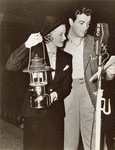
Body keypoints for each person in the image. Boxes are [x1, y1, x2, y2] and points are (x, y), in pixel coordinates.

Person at [5, 15, 72, 150]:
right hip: (33, 114)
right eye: (61, 34)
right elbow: (10, 65)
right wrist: (27, 45)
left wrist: (55, 95)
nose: (65, 38)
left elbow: (67, 85)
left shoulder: (67, 57)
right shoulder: (33, 52)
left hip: (56, 115)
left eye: (65, 34)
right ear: (49, 35)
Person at [64, 6, 115, 150]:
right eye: (81, 23)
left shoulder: (94, 42)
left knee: (93, 135)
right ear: (70, 21)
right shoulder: (61, 42)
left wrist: (110, 72)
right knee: (68, 137)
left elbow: (103, 72)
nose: (86, 27)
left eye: (88, 23)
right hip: (67, 91)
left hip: (89, 89)